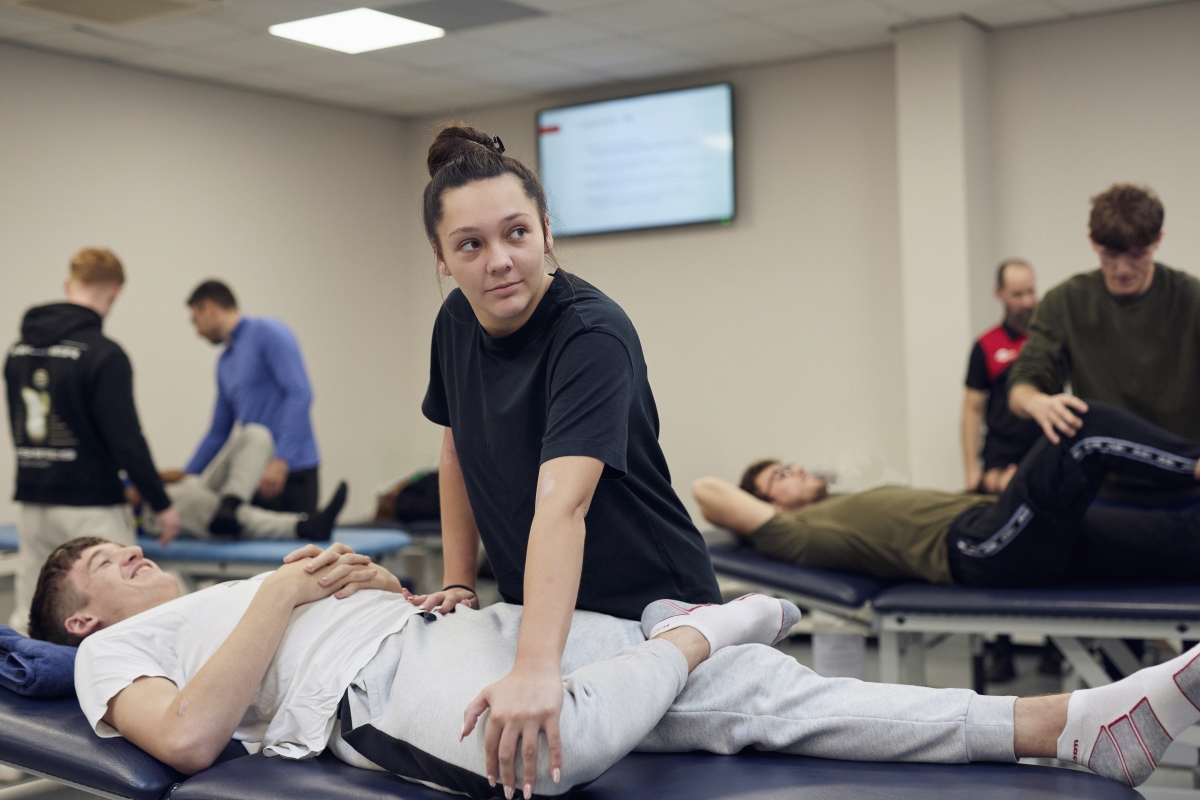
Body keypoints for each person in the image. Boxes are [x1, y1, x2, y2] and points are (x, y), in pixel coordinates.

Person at [32, 536, 1200, 795]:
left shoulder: (227, 590)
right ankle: (695, 627)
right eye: (94, 562)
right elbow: (184, 738)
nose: (120, 552)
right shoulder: (124, 651)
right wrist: (288, 588)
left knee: (768, 702)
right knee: (549, 747)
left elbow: (388, 599)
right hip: (377, 697)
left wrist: (399, 585)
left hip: (449, 631)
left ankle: (1068, 722)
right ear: (78, 619)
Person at [412, 124, 722, 778]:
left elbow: (563, 502)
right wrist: (458, 582)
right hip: (554, 615)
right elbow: (456, 451)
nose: (498, 259)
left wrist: (533, 667)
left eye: (516, 233)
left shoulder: (590, 334)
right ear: (442, 258)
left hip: (653, 610)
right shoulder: (455, 323)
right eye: (470, 244)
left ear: (546, 232)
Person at [694, 401, 1200, 589]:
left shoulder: (839, 504)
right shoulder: (797, 535)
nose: (797, 468)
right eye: (781, 474)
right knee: (1082, 428)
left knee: (1178, 537)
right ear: (770, 504)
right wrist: (762, 513)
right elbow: (706, 491)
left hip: (1000, 525)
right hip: (979, 547)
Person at [4, 248, 179, 634]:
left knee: (32, 618)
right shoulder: (104, 354)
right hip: (91, 505)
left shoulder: (17, 351)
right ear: (114, 293)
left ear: (70, 284)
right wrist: (161, 502)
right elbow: (127, 441)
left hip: (34, 501)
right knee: (125, 619)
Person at [1008, 183, 1200, 504]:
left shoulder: (1191, 299)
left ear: (1158, 241)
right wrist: (1037, 403)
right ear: (1092, 242)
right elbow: (1022, 384)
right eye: (1110, 255)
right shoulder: (1065, 302)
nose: (1123, 269)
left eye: (1137, 254)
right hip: (1102, 489)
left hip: (1187, 489)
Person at [185, 280, 321, 518]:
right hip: (255, 476)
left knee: (300, 552)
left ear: (209, 308)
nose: (197, 332)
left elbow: (300, 393)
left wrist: (281, 459)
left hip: (292, 471)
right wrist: (186, 479)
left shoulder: (268, 332)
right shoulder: (225, 362)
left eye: (196, 321)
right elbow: (218, 431)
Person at [129, 424, 347, 541]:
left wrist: (159, 477)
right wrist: (146, 485)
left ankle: (230, 505)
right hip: (153, 513)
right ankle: (303, 526)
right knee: (200, 502)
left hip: (186, 487)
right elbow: (129, 497)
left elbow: (174, 474)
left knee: (257, 434)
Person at [961, 258, 1046, 495]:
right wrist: (970, 470)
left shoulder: (1049, 341)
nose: (1027, 302)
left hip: (1044, 447)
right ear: (999, 293)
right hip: (1002, 454)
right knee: (1005, 488)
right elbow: (972, 409)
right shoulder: (986, 345)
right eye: (1017, 295)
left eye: (1031, 292)